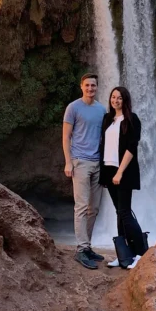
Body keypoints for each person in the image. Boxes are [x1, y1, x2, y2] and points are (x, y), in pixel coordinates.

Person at [99, 86, 147, 269]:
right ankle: (123, 254)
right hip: (109, 170)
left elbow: (131, 148)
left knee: (125, 213)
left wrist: (120, 172)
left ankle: (140, 253)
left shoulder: (132, 119)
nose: (115, 100)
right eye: (113, 97)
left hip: (124, 172)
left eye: (119, 98)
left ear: (125, 100)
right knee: (120, 213)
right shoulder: (107, 119)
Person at [63, 74, 106, 269]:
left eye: (93, 85)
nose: (90, 88)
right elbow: (66, 137)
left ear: (97, 87)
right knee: (81, 207)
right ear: (81, 86)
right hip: (80, 162)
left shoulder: (101, 109)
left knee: (94, 208)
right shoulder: (73, 107)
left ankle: (87, 246)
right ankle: (81, 249)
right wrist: (68, 162)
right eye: (87, 85)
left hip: (98, 163)